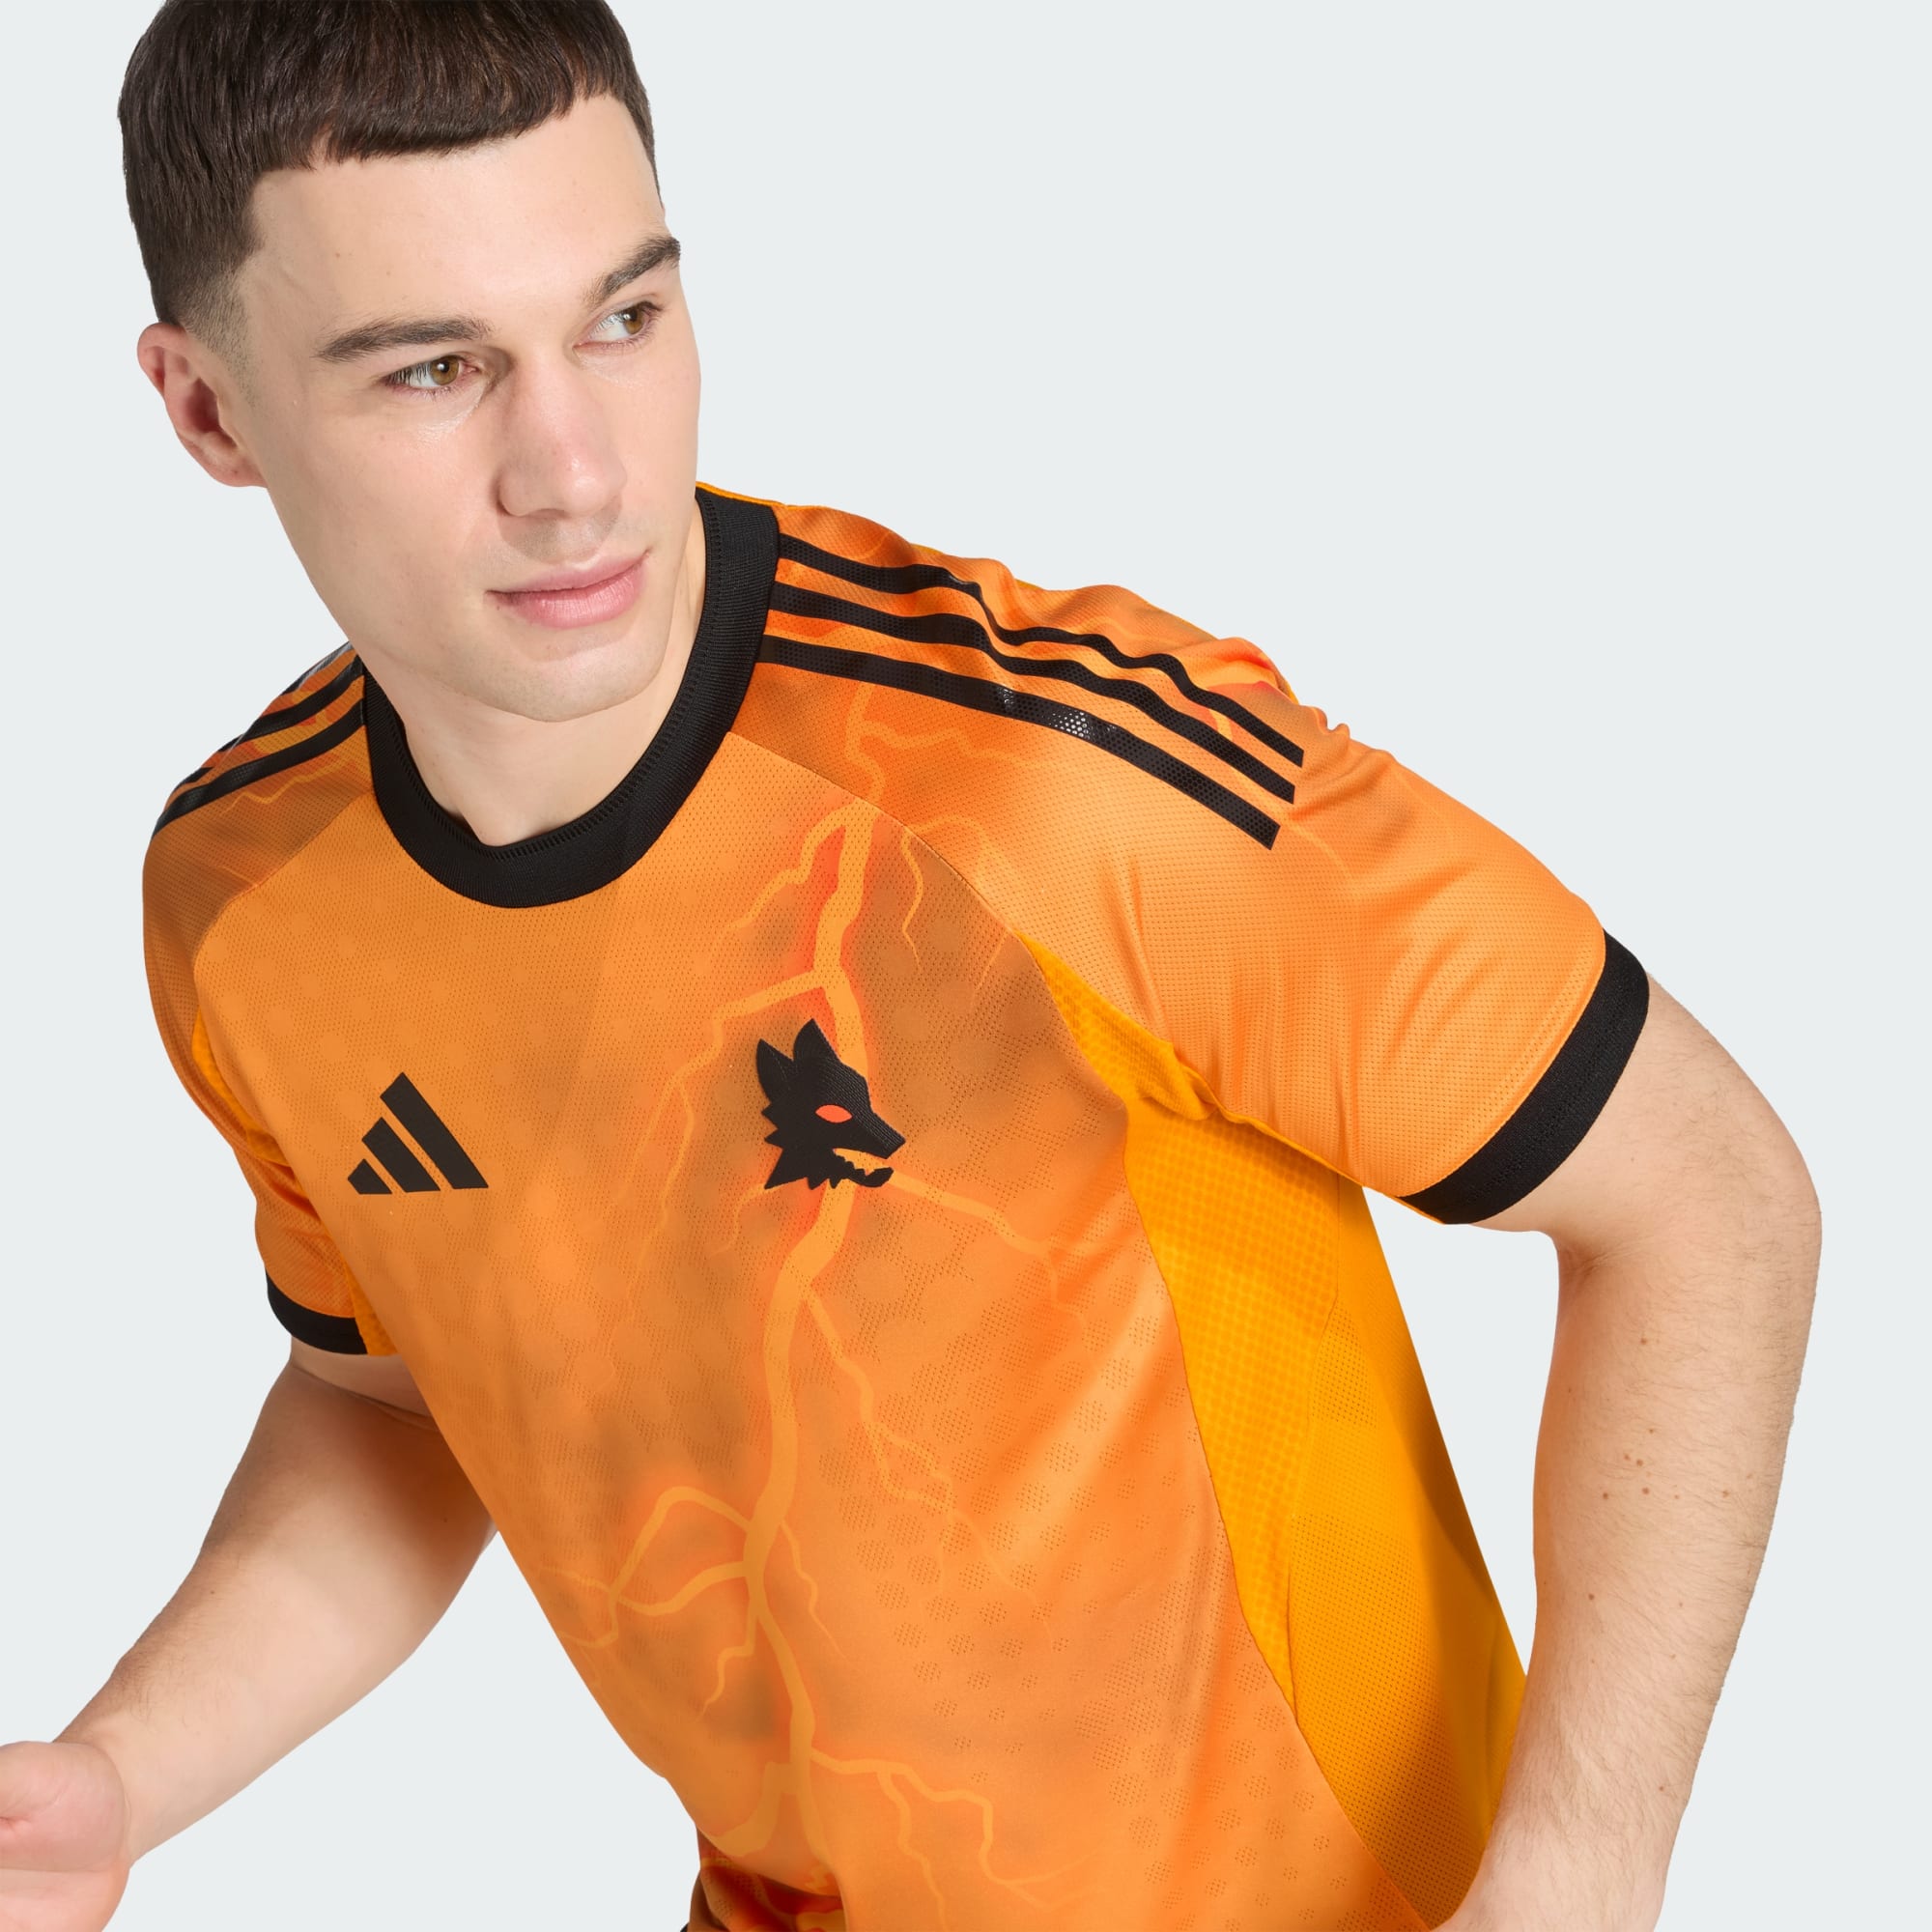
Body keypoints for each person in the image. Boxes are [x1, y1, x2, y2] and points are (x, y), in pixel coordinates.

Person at [0, 4, 1821, 1929]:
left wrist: (1573, 1879)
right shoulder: (245, 897)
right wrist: (123, 1776)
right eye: (437, 371)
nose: (576, 471)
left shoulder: (1047, 786)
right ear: (208, 411)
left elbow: (1707, 1195)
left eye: (624, 319)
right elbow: (391, 1405)